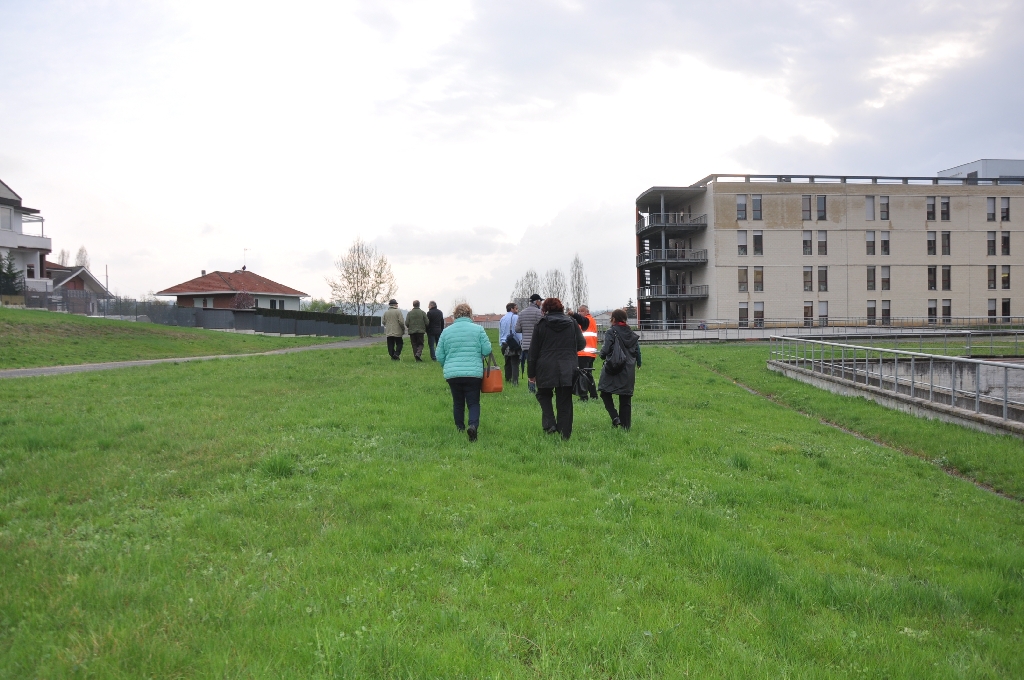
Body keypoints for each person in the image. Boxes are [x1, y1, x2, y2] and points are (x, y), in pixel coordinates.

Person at [528, 297, 585, 441]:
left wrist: (531, 374)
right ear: (561, 308)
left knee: (543, 395)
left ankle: (550, 423)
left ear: (545, 309)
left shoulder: (541, 324)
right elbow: (581, 344)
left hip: (545, 366)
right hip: (567, 365)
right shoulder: (572, 322)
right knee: (565, 400)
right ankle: (565, 434)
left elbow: (533, 351)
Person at [436, 302, 493, 441]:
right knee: (473, 402)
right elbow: (487, 350)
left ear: (455, 315)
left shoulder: (446, 331)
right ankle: (473, 426)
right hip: (473, 373)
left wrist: (447, 364)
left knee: (458, 402)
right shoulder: (478, 330)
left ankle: (460, 428)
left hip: (453, 374)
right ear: (470, 314)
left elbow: (439, 354)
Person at [598, 308, 641, 430]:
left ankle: (615, 417)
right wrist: (638, 362)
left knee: (605, 392)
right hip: (628, 369)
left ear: (614, 319)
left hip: (613, 367)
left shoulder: (611, 332)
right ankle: (625, 426)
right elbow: (637, 350)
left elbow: (605, 350)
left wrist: (601, 355)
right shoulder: (631, 333)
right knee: (625, 397)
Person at [568, 304, 599, 401]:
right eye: (579, 311)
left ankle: (584, 396)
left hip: (583, 353)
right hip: (590, 353)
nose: (580, 313)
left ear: (587, 312)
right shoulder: (592, 320)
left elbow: (580, 322)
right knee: (588, 374)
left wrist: (573, 314)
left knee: (582, 375)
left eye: (582, 311)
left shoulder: (587, 321)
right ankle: (593, 395)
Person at [515, 293, 543, 391]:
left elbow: (517, 329)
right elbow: (543, 328)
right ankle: (541, 387)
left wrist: (526, 329)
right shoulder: (539, 313)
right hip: (538, 345)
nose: (541, 303)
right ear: (537, 302)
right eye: (540, 301)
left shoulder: (522, 313)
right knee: (539, 366)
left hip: (526, 346)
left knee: (530, 367)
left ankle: (531, 388)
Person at [499, 302, 521, 385]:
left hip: (504, 343)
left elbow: (500, 332)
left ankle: (507, 379)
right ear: (511, 309)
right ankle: (515, 381)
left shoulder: (502, 318)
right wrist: (520, 342)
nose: (517, 310)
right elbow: (517, 331)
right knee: (515, 363)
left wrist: (501, 343)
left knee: (507, 363)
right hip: (512, 343)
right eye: (516, 308)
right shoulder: (515, 317)